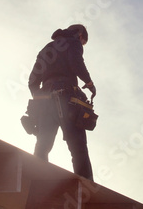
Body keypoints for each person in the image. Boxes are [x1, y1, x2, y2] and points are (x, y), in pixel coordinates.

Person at [26, 24, 96, 180]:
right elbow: (76, 62)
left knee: (43, 145)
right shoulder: (73, 42)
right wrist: (89, 83)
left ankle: (37, 182)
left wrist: (41, 97)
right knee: (77, 147)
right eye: (83, 42)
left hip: (45, 103)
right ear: (80, 35)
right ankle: (85, 186)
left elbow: (32, 81)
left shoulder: (47, 48)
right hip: (67, 99)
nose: (82, 45)